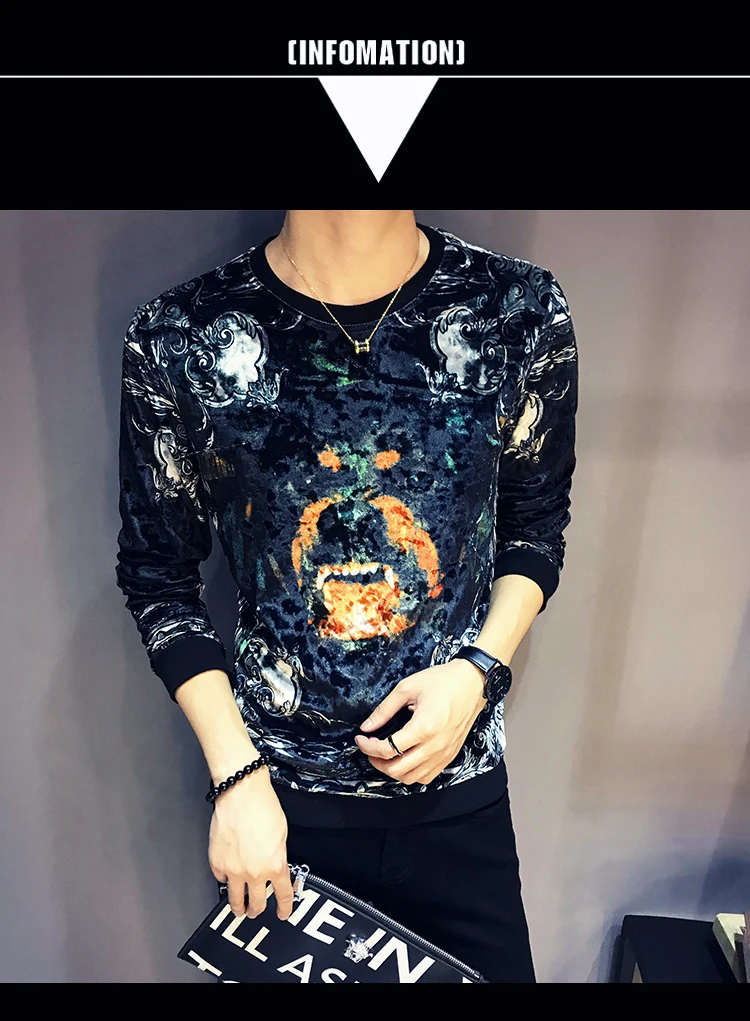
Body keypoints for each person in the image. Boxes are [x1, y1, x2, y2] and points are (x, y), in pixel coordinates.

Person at [115, 209, 579, 984]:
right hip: (278, 817)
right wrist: (235, 777)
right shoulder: (180, 338)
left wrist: (479, 672)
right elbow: (159, 575)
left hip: (458, 802)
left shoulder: (516, 311)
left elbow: (534, 530)